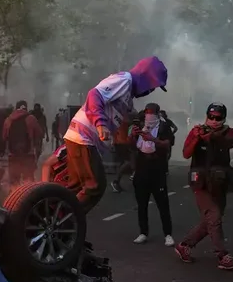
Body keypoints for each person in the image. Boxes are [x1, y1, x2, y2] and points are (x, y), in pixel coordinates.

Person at [59, 56, 168, 212]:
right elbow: (94, 95)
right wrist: (100, 124)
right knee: (94, 186)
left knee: (76, 186)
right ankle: (67, 218)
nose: (150, 91)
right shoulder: (124, 80)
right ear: (145, 77)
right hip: (84, 137)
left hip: (84, 139)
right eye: (152, 86)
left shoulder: (128, 98)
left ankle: (60, 218)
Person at [175, 103, 233, 270]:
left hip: (219, 182)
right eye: (211, 117)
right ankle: (222, 255)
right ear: (206, 116)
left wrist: (211, 137)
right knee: (214, 216)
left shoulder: (229, 132)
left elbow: (230, 143)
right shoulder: (197, 131)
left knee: (211, 220)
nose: (214, 120)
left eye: (218, 118)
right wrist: (197, 138)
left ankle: (185, 245)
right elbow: (186, 153)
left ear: (223, 118)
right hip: (200, 181)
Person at [132, 103, 175, 245]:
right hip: (141, 169)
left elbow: (167, 144)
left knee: (163, 204)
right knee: (142, 204)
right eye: (147, 112)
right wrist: (133, 135)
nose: (149, 115)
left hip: (157, 169)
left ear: (157, 113)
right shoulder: (140, 125)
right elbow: (131, 144)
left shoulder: (163, 126)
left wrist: (152, 139)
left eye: (151, 112)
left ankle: (168, 234)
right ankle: (143, 232)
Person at [3, 101, 43, 185]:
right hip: (28, 154)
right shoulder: (31, 118)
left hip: (12, 154)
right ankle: (28, 192)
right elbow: (39, 133)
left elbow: (4, 136)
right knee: (28, 179)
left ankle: (15, 192)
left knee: (14, 179)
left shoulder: (8, 119)